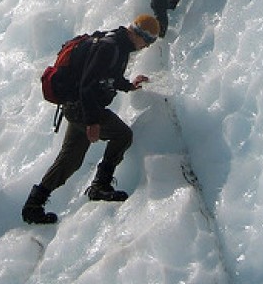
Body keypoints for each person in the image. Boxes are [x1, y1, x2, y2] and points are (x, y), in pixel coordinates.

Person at [22, 14, 160, 225]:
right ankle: (101, 185)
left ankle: (34, 205)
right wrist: (93, 122)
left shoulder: (118, 44)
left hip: (78, 108)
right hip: (83, 109)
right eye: (147, 42)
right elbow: (88, 84)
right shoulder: (111, 47)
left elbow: (108, 77)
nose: (146, 47)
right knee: (122, 135)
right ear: (139, 35)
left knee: (70, 159)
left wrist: (129, 85)